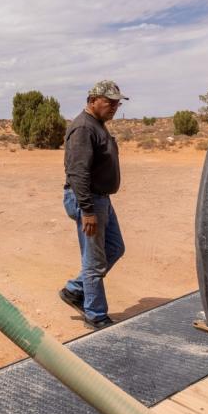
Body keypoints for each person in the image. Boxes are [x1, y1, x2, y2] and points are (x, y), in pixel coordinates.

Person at [59, 80, 128, 329]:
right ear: (92, 100)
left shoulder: (98, 125)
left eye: (117, 103)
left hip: (101, 199)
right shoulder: (83, 128)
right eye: (109, 102)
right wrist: (87, 210)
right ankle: (95, 315)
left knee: (115, 247)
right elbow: (77, 172)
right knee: (94, 260)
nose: (114, 107)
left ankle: (75, 289)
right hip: (88, 201)